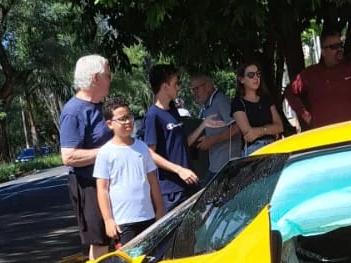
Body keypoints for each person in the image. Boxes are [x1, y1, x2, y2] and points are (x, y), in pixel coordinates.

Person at [59, 54, 113, 260]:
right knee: (99, 239)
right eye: (108, 75)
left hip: (107, 182)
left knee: (112, 236)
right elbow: (69, 156)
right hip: (88, 185)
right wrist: (108, 151)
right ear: (95, 78)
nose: (111, 79)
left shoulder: (100, 106)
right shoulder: (73, 111)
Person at [284, 27, 351, 129]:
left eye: (340, 45)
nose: (339, 49)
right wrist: (304, 114)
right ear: (323, 51)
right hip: (322, 135)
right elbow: (290, 91)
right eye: (334, 47)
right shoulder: (311, 74)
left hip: (349, 133)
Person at [94, 97, 164, 246]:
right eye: (122, 119)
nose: (128, 122)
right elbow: (102, 189)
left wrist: (159, 210)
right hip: (123, 222)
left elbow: (152, 180)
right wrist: (108, 220)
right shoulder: (105, 152)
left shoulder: (142, 147)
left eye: (129, 117)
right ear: (110, 124)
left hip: (148, 217)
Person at [143, 64, 199, 212]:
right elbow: (150, 153)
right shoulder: (152, 115)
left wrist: (204, 125)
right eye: (175, 84)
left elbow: (183, 143)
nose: (178, 87)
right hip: (171, 190)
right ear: (165, 87)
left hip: (189, 182)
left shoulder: (173, 110)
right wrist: (179, 170)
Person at [187, 74, 241, 181]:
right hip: (216, 166)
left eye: (196, 89)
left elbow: (237, 127)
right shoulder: (208, 105)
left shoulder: (220, 101)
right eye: (192, 90)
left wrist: (212, 140)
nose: (194, 93)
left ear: (208, 86)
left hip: (227, 167)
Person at [231, 61, 285, 155]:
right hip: (254, 151)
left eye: (258, 74)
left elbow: (280, 127)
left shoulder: (266, 99)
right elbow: (249, 134)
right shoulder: (238, 103)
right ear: (241, 79)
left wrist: (260, 131)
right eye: (251, 75)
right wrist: (270, 129)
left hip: (274, 146)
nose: (256, 77)